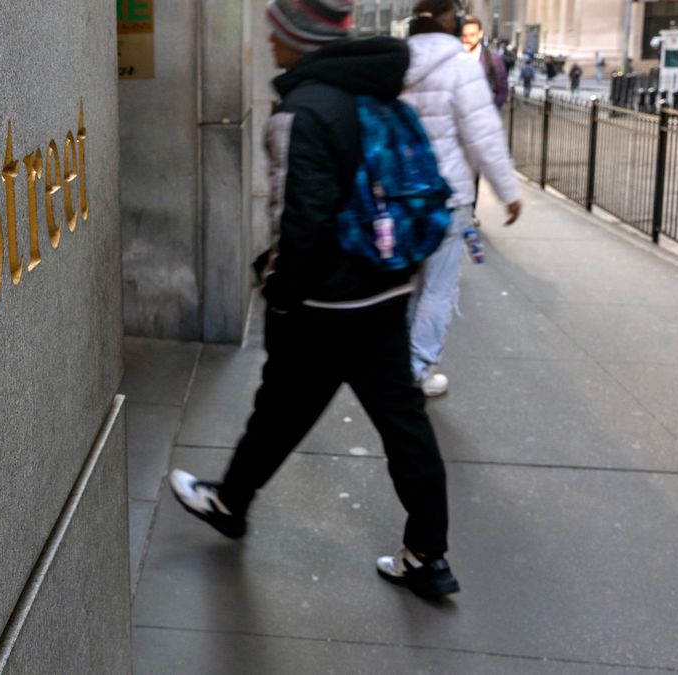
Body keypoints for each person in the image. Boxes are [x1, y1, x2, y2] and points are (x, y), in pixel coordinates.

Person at [168, 0, 461, 600]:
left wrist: (279, 296)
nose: (270, 45)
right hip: (385, 289)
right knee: (400, 422)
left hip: (323, 304)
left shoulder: (303, 110)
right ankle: (427, 555)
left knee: (280, 407)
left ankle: (230, 501)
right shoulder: (375, 92)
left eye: (277, 34)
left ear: (299, 40)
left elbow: (299, 222)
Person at [402, 0, 522, 397]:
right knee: (437, 288)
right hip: (448, 196)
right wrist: (508, 192)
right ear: (448, 22)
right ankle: (417, 368)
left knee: (406, 285)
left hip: (402, 196)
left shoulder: (397, 64)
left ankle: (398, 364)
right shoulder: (460, 68)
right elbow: (484, 136)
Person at [460, 17, 509, 108]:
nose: (467, 39)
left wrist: (489, 112)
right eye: (464, 35)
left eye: (472, 35)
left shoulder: (493, 59)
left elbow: (502, 91)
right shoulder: (455, 57)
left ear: (480, 34)